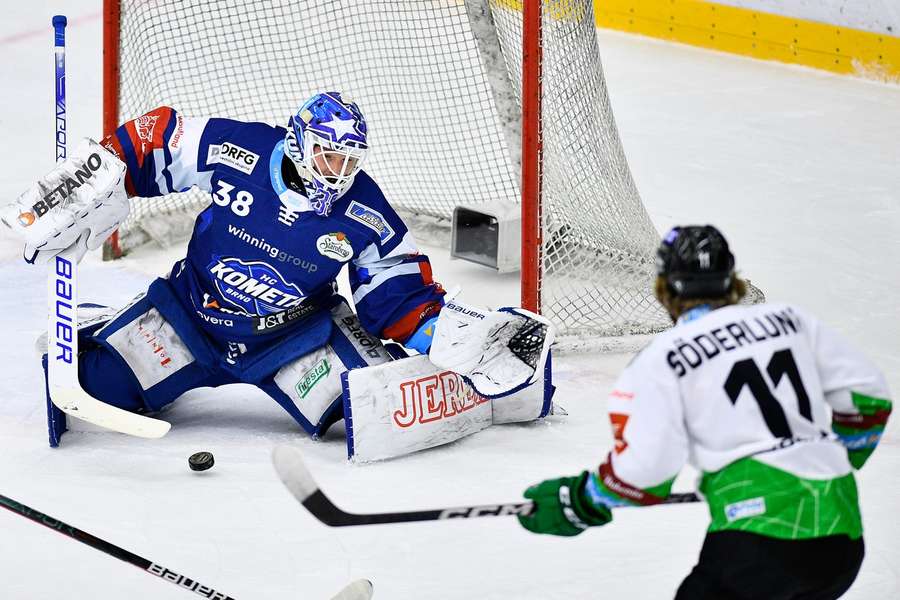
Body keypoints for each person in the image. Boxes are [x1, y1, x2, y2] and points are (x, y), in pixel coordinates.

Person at [1, 91, 551, 446]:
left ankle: (486, 367)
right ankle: (110, 328)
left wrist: (446, 334)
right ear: (297, 142)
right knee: (90, 387)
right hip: (191, 318)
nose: (339, 171)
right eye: (328, 156)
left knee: (370, 413)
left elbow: (397, 295)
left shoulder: (365, 211)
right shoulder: (237, 147)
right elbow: (155, 139)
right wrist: (96, 176)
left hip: (295, 339)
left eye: (350, 160)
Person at [517, 225, 892, 599]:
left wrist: (580, 500)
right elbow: (869, 401)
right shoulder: (790, 320)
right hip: (842, 539)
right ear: (731, 280)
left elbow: (645, 473)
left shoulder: (662, 359)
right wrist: (829, 462)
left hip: (759, 544)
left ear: (664, 287)